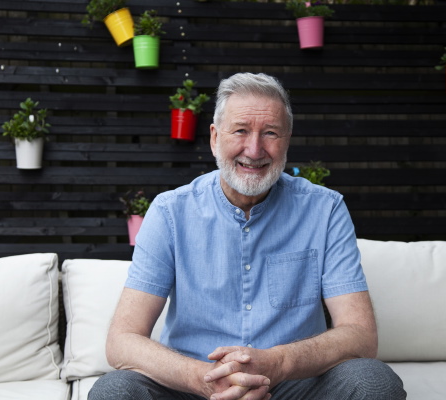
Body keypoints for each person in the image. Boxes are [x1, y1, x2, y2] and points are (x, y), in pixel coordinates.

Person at [89, 72, 406, 400]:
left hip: (291, 386)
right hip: (195, 387)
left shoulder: (325, 210)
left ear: (287, 140)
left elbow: (360, 335)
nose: (254, 150)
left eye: (270, 133)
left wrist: (277, 363)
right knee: (114, 391)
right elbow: (122, 340)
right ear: (214, 138)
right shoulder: (170, 212)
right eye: (240, 131)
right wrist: (204, 378)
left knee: (374, 381)